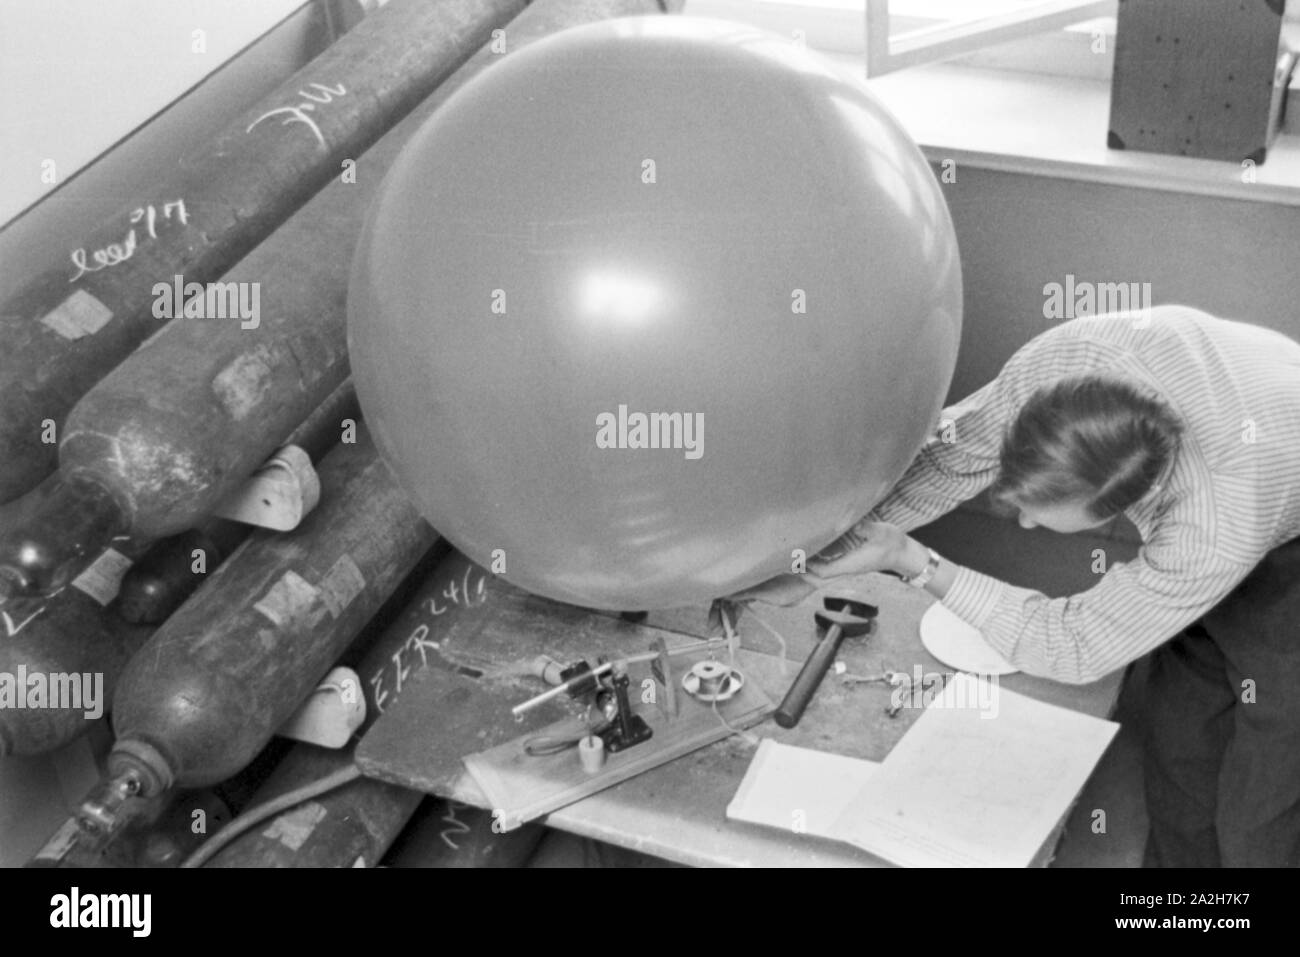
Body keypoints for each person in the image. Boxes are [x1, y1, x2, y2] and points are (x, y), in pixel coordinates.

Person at [731, 303, 1300, 867]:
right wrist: (808, 563)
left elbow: (1074, 646)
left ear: (1118, 510)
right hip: (1243, 456)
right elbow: (951, 463)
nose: (1022, 521)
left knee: (1262, 810)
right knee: (1183, 753)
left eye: (1038, 512)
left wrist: (915, 561)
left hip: (1284, 531)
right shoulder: (1063, 363)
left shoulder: (1212, 525)